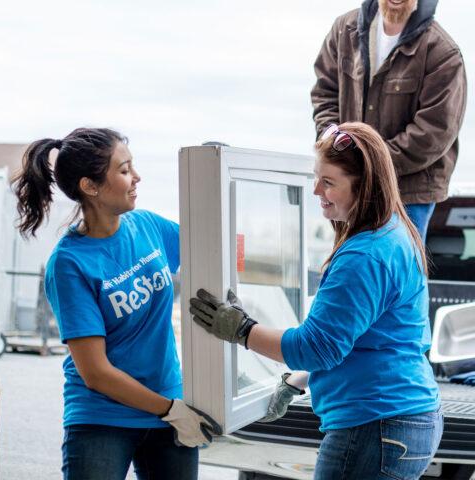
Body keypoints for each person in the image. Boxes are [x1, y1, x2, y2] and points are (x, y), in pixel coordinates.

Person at [189, 122, 443, 480]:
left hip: (375, 426)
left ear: (363, 184)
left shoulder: (365, 256)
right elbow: (367, 340)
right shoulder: (393, 233)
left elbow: (317, 347)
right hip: (404, 418)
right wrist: (301, 379)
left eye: (329, 181)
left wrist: (242, 330)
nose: (316, 190)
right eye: (315, 177)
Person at [12, 127, 221, 480]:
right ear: (90, 186)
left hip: (168, 408)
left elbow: (211, 247)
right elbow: (95, 373)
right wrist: (171, 410)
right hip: (103, 418)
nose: (136, 177)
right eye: (124, 170)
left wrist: (218, 183)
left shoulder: (149, 226)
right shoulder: (70, 263)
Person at [311, 0, 467, 241]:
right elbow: (325, 94)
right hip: (351, 188)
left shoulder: (442, 52)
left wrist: (368, 161)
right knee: (355, 267)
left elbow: (435, 132)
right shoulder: (344, 30)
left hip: (408, 195)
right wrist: (335, 145)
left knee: (400, 272)